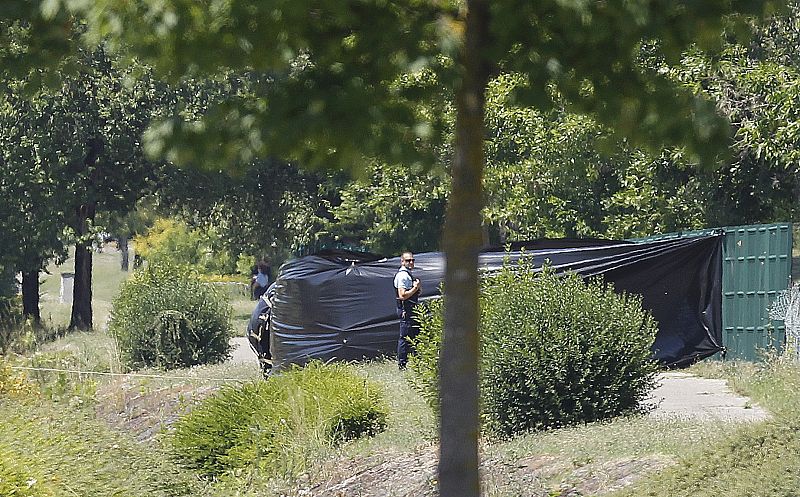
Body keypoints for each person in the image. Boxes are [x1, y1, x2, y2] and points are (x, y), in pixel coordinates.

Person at [393, 251, 421, 370]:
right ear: (402, 262)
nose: (411, 262)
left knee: (415, 336)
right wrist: (415, 288)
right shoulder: (403, 276)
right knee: (404, 338)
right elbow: (402, 295)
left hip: (411, 310)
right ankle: (402, 365)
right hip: (406, 311)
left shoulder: (408, 274)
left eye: (412, 260)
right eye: (408, 260)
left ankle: (417, 362)